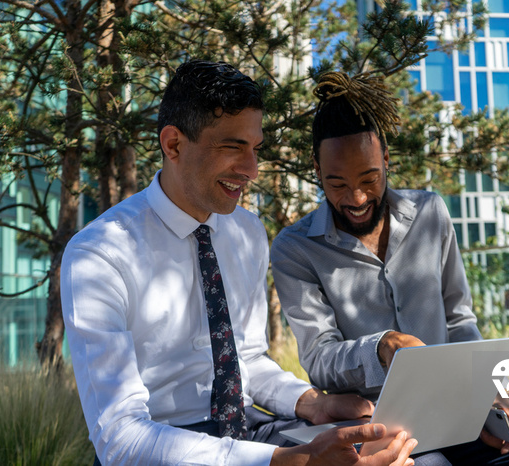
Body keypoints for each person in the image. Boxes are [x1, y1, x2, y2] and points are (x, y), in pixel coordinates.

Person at [61, 60, 418, 465]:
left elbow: (247, 360)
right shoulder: (98, 255)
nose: (251, 170)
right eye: (233, 147)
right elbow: (121, 440)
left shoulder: (246, 231)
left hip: (249, 429)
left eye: (255, 148)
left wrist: (312, 404)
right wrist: (284, 462)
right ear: (173, 144)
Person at [270, 71, 509, 465]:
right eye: (337, 184)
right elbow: (319, 356)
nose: (356, 197)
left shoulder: (430, 212)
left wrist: (492, 388)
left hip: (458, 413)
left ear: (386, 157)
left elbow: (458, 319)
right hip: (378, 433)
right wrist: (381, 346)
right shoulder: (294, 249)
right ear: (316, 169)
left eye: (370, 178)